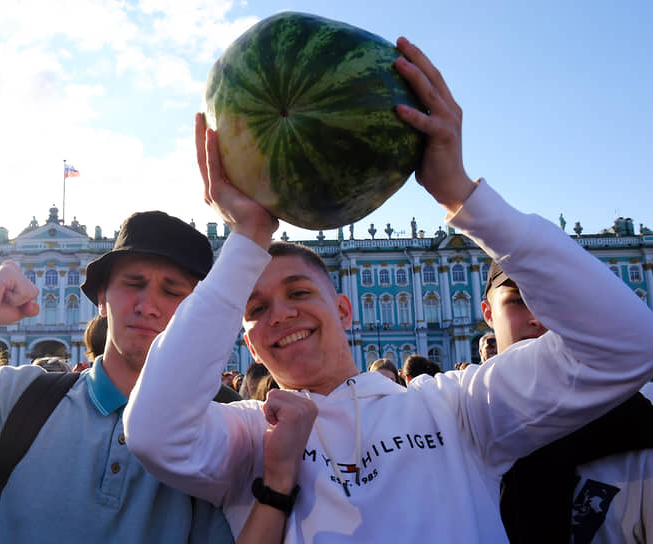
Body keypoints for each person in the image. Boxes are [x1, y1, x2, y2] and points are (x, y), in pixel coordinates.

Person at [124, 37, 653, 542]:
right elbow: (152, 432)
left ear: (344, 308)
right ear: (246, 339)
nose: (280, 314)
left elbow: (627, 344)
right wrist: (246, 240)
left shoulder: (457, 409)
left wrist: (462, 195)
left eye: (299, 293)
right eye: (254, 307)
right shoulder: (249, 438)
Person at [0, 211, 233, 543]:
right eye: (133, 283)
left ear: (196, 307)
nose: (147, 305)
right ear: (102, 297)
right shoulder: (12, 400)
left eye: (172, 291)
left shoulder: (228, 428)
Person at [481, 260, 653, 542]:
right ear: (488, 313)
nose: (538, 318)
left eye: (554, 301)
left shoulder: (640, 442)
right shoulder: (461, 432)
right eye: (519, 300)